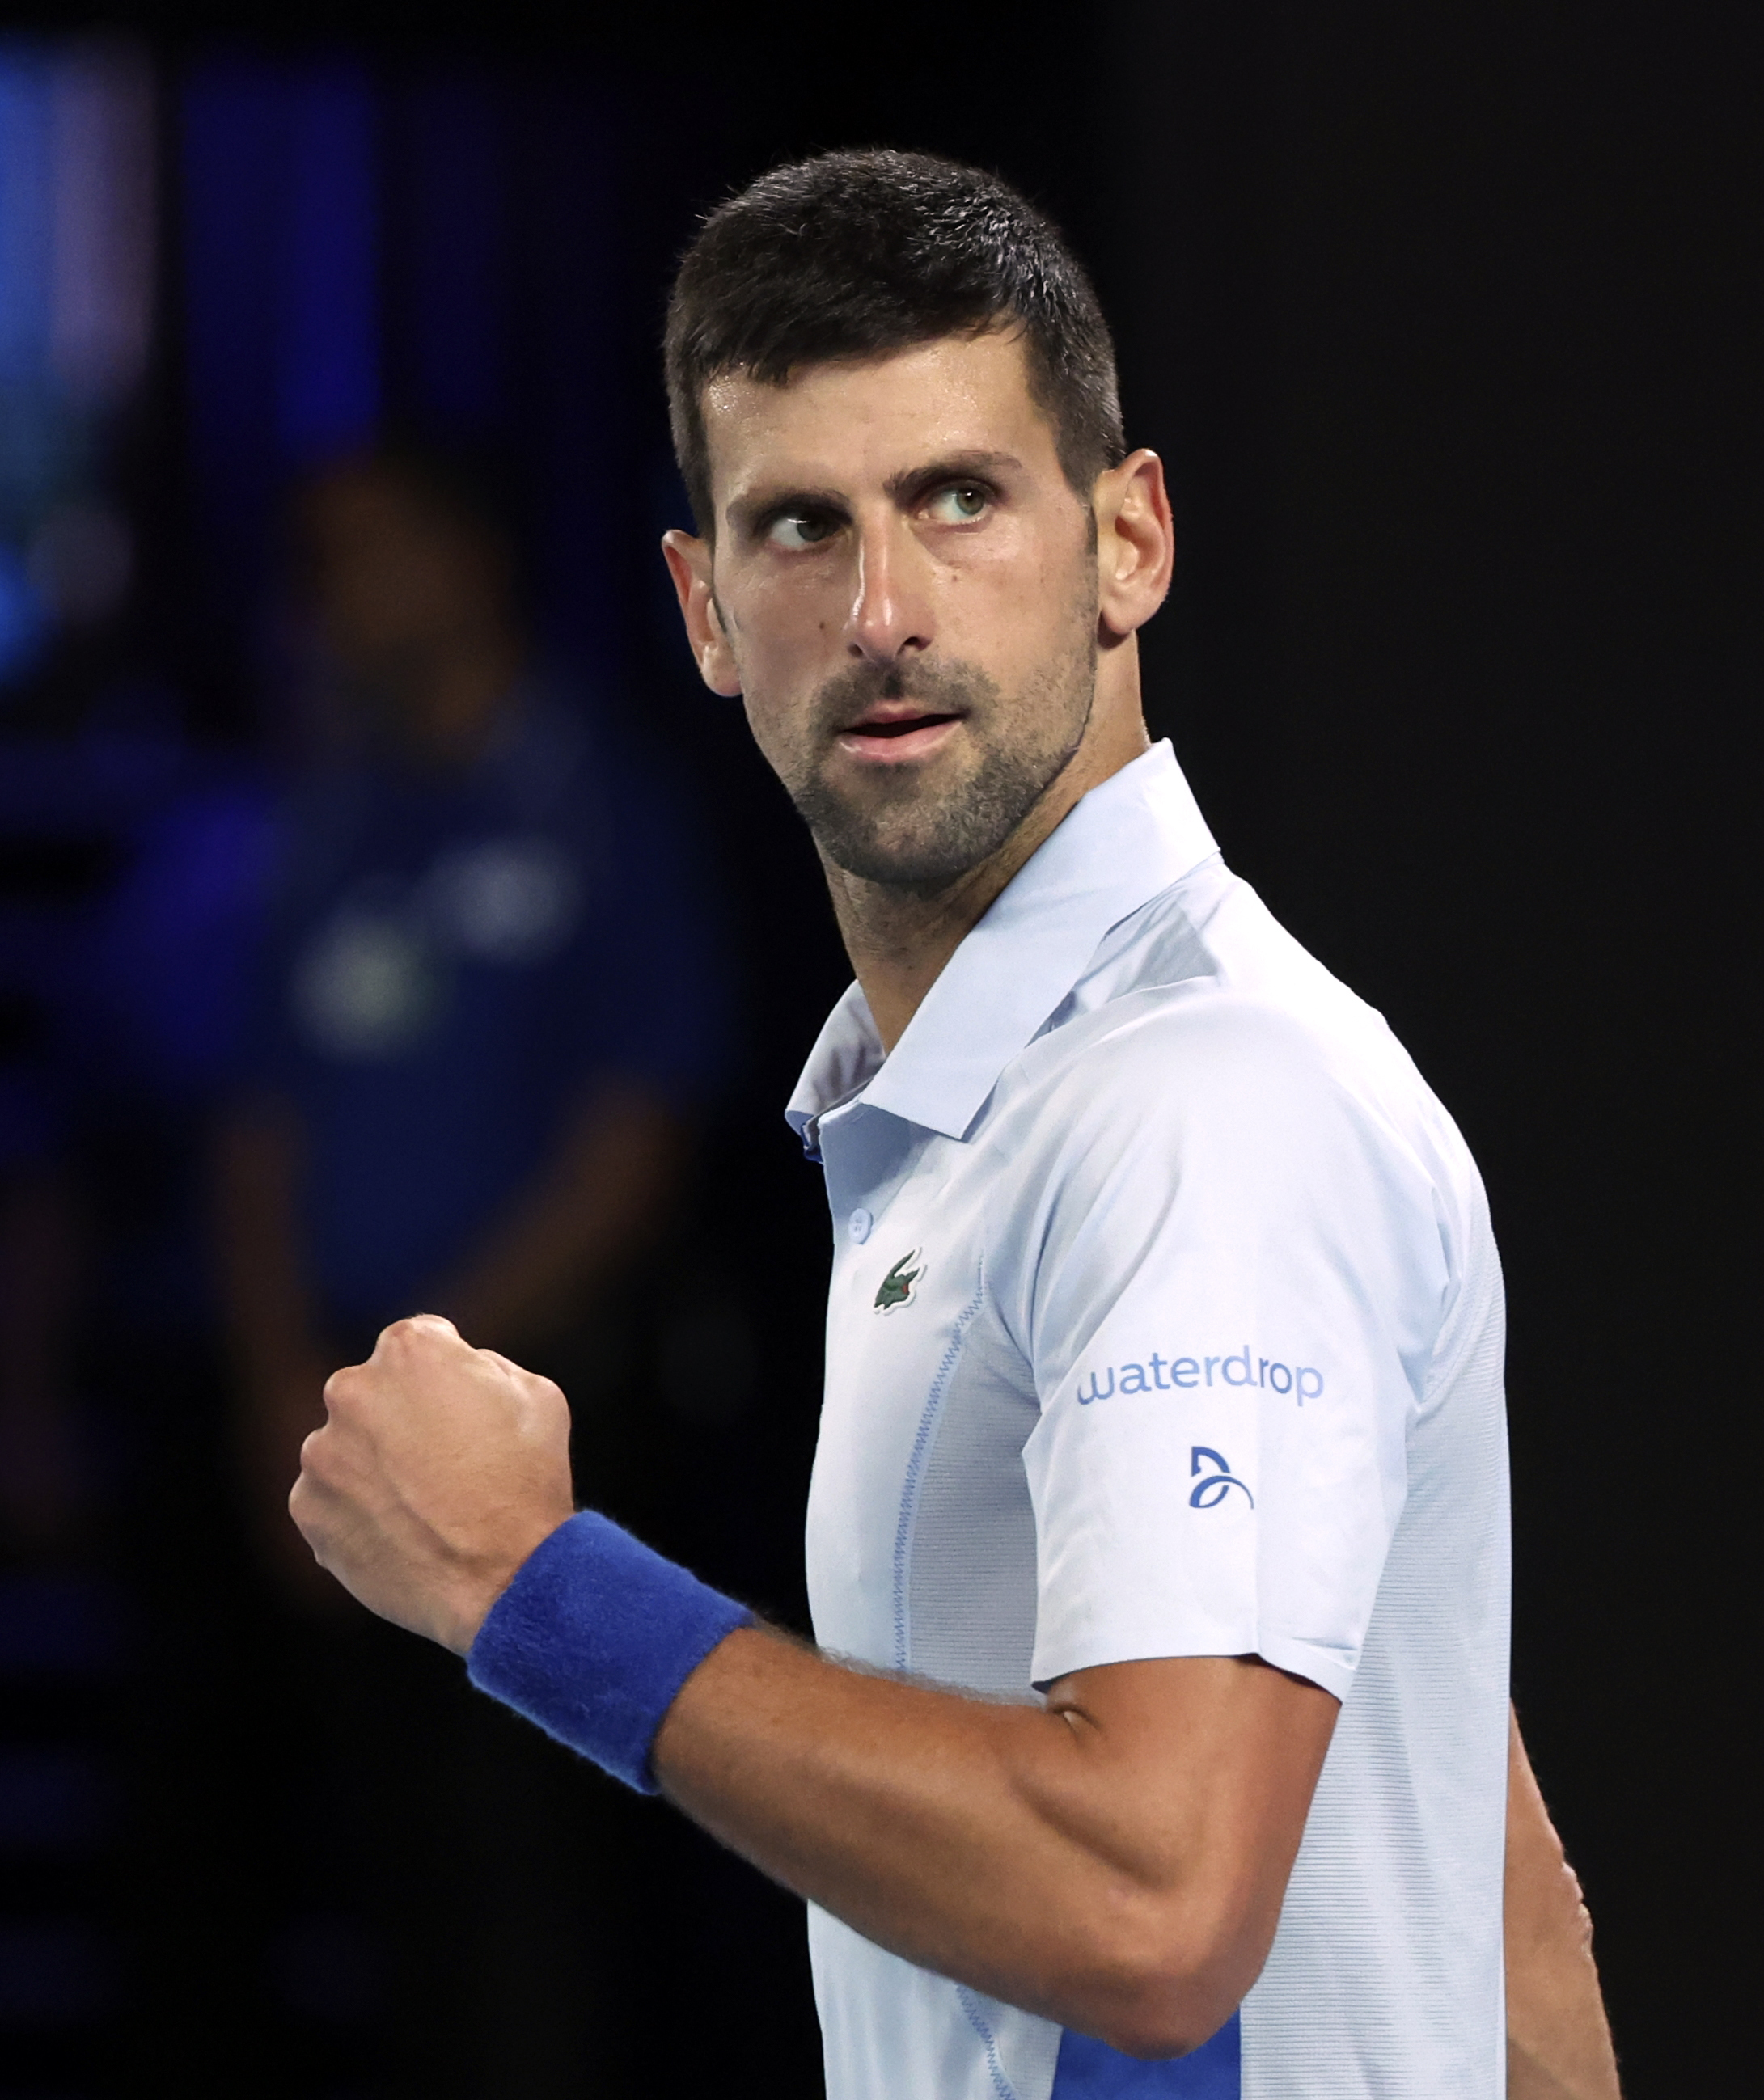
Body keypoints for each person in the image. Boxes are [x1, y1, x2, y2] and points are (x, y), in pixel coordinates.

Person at [285, 150, 1620, 2098]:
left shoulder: (1196, 1109)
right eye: (802, 527)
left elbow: (1154, 1920)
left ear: (1130, 541)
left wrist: (531, 1587)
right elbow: (1478, 1893)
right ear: (706, 610)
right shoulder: (1021, 1104)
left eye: (961, 500)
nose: (884, 608)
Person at [216, 442, 727, 2091]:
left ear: (468, 560)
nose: (336, 600)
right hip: (343, 1437)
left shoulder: (600, 803)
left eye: (370, 554)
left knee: (546, 1896)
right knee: (382, 1898)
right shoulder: (333, 821)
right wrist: (284, 1395)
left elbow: (634, 1149)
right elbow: (259, 1126)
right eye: (320, 564)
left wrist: (424, 1379)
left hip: (552, 1442)